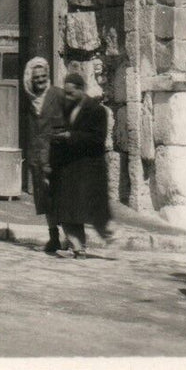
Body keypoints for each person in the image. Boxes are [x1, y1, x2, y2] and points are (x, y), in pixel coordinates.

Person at [43, 73, 111, 258]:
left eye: (71, 93)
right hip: (67, 167)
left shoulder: (97, 111)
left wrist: (70, 137)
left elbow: (98, 139)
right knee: (67, 210)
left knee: (72, 210)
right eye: (66, 93)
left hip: (84, 168)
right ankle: (77, 247)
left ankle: (78, 248)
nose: (68, 96)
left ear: (82, 90)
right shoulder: (67, 109)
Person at [23, 57, 65, 254]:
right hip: (37, 156)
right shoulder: (30, 98)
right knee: (44, 199)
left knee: (60, 197)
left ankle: (73, 239)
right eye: (36, 77)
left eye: (43, 76)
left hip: (55, 155)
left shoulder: (58, 94)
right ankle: (54, 238)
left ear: (48, 75)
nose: (40, 80)